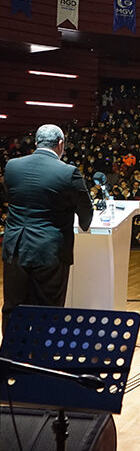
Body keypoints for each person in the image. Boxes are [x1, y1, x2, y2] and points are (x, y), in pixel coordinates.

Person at [2, 124, 94, 333]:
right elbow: (85, 211)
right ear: (61, 144)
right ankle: (42, 359)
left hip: (15, 247)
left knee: (13, 308)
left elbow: (12, 196)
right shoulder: (68, 172)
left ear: (36, 143)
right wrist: (83, 223)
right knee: (48, 309)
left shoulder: (12, 166)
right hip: (49, 251)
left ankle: (10, 359)